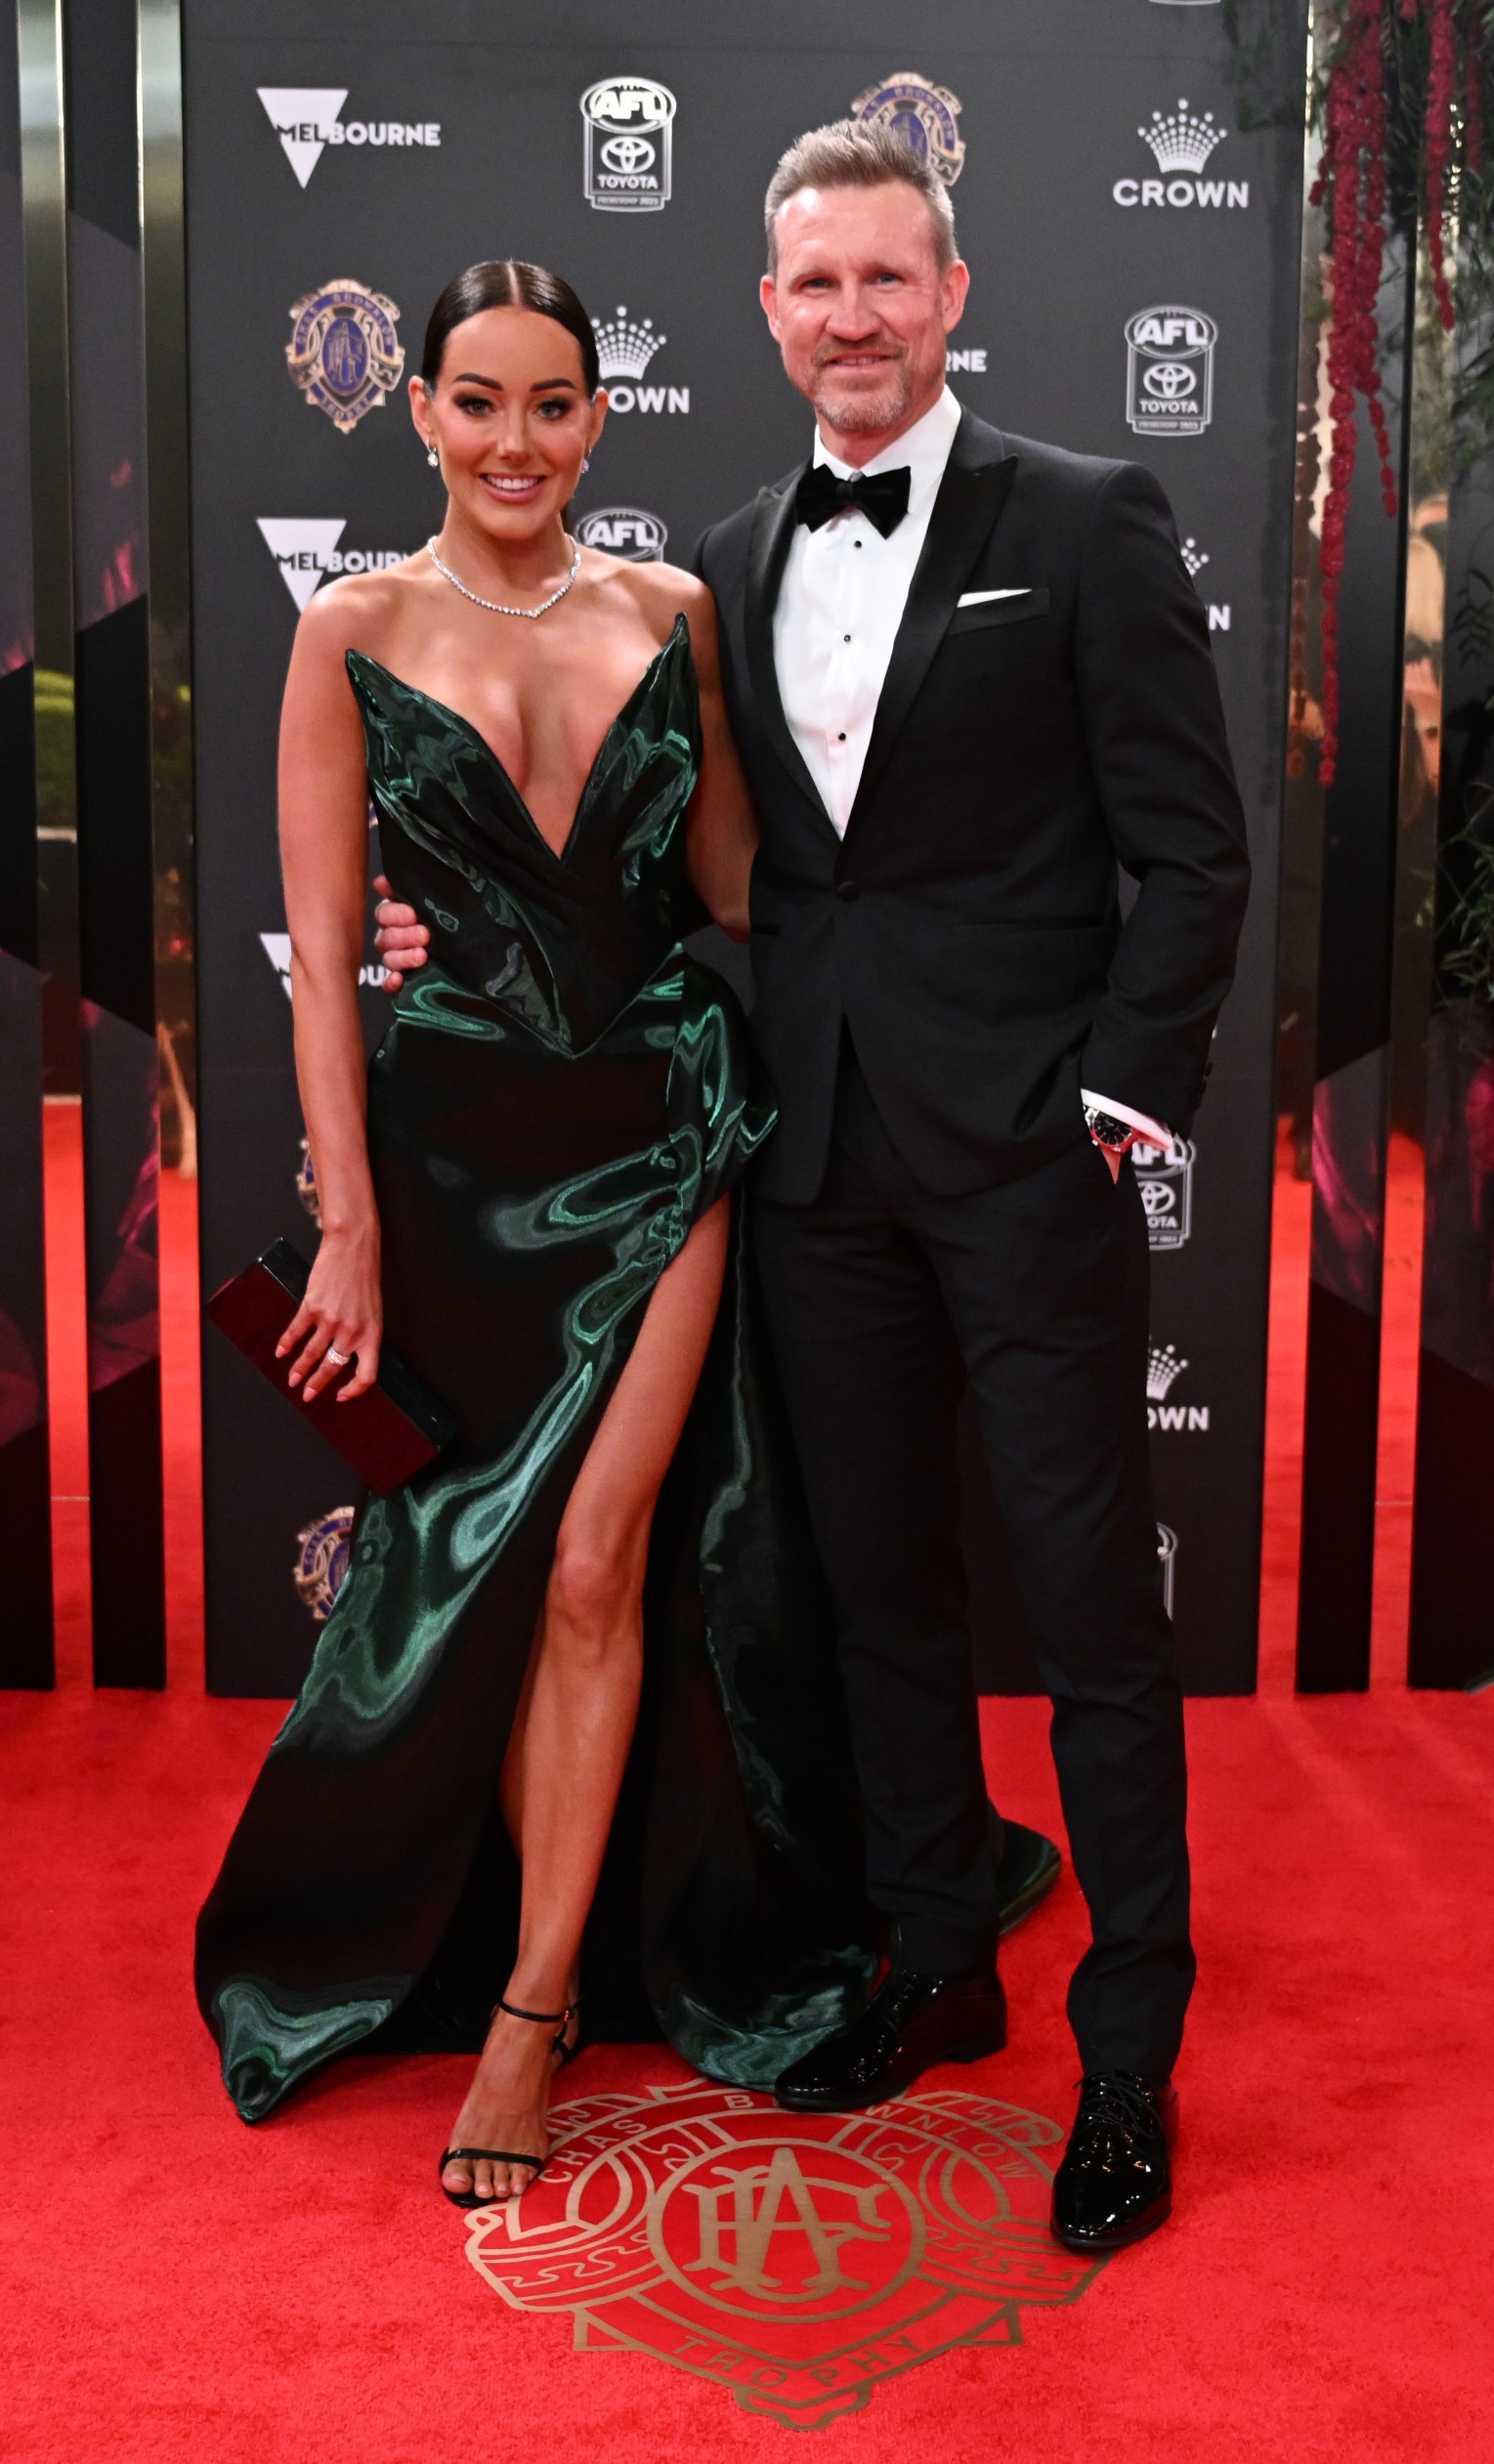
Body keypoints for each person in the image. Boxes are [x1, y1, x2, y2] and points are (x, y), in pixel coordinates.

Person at [377, 127, 1250, 2253]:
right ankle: (936, 1954)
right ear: (764, 315)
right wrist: (449, 934)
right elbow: (694, 861)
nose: (849, 315)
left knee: (1092, 1619)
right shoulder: (733, 551)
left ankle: (1126, 2047)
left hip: (1031, 1162)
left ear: (949, 294)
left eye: (885, 277)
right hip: (816, 1158)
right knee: (875, 1591)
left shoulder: (1088, 515)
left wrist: (1119, 1108)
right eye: (811, 284)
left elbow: (1192, 850)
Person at [190, 261, 888, 2209]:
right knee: (484, 1573)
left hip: (663, 1133)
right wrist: (341, 1224)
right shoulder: (347, 630)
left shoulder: (675, 614)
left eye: (551, 403)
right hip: (450, 1169)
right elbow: (323, 961)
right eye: (475, 400)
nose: (513, 440)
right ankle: (478, 1922)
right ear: (413, 409)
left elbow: (748, 882)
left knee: (593, 1567)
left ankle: (535, 2003)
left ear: (600, 420)